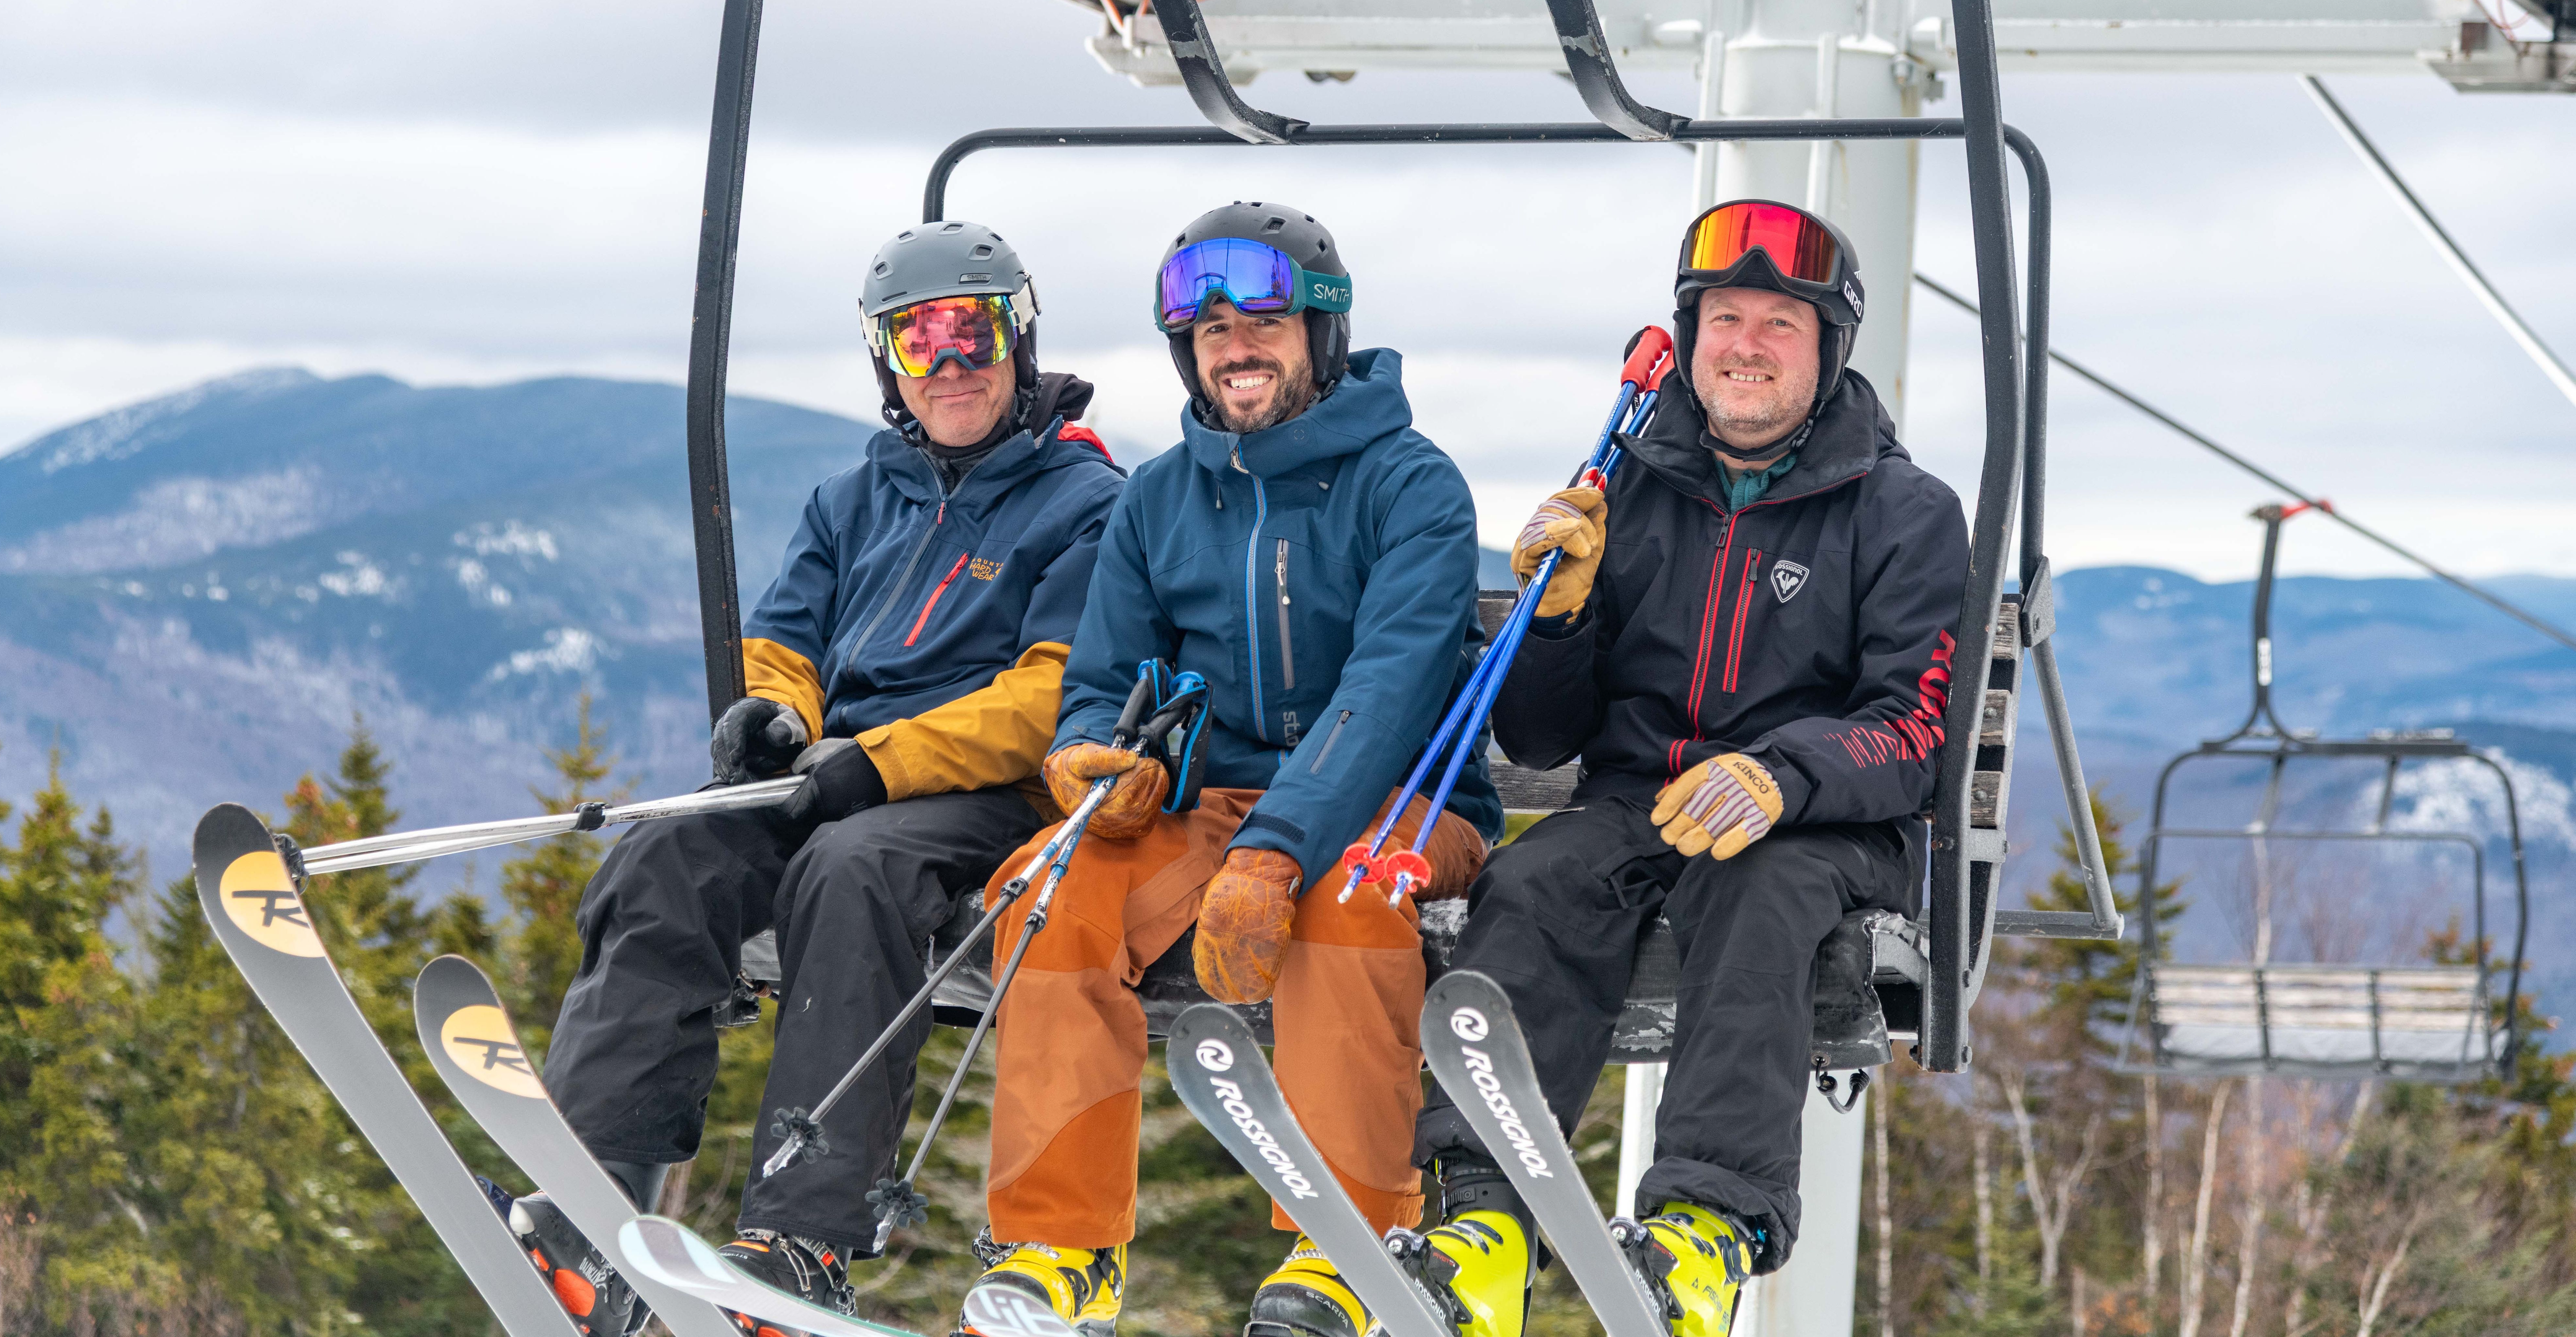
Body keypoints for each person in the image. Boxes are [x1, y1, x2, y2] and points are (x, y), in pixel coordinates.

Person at [508, 221, 1125, 1336]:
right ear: (886, 359)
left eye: (972, 332)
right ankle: (601, 1190)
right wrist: (777, 714)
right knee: (668, 854)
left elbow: (1050, 692)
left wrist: (878, 764)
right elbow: (787, 635)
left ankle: (803, 1240)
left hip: (980, 794)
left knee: (852, 873)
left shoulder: (1085, 502)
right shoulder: (857, 496)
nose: (951, 366)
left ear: (1019, 337)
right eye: (918, 340)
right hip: (837, 773)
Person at [1407, 199, 1968, 1337]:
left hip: (1822, 828)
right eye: (1723, 318)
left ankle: (1708, 1227)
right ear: (1691, 334)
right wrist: (1555, 621)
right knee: (1537, 884)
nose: (1745, 345)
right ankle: (1486, 1220)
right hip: (1639, 804)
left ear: (1827, 350)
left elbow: (1915, 727)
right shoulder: (1628, 487)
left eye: (1780, 323)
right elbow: (1540, 742)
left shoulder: (1903, 513)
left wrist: (1781, 776)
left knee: (1761, 897)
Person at [958, 203, 1500, 1337]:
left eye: (1260, 324)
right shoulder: (1161, 496)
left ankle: (1345, 1246)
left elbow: (1388, 693)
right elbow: (1103, 675)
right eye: (1208, 335)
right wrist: (1092, 760)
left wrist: (1278, 845)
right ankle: (1062, 1253)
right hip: (1213, 813)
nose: (1233, 349)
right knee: (1046, 894)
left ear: (1321, 332)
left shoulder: (1411, 486)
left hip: (1401, 802)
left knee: (1346, 900)